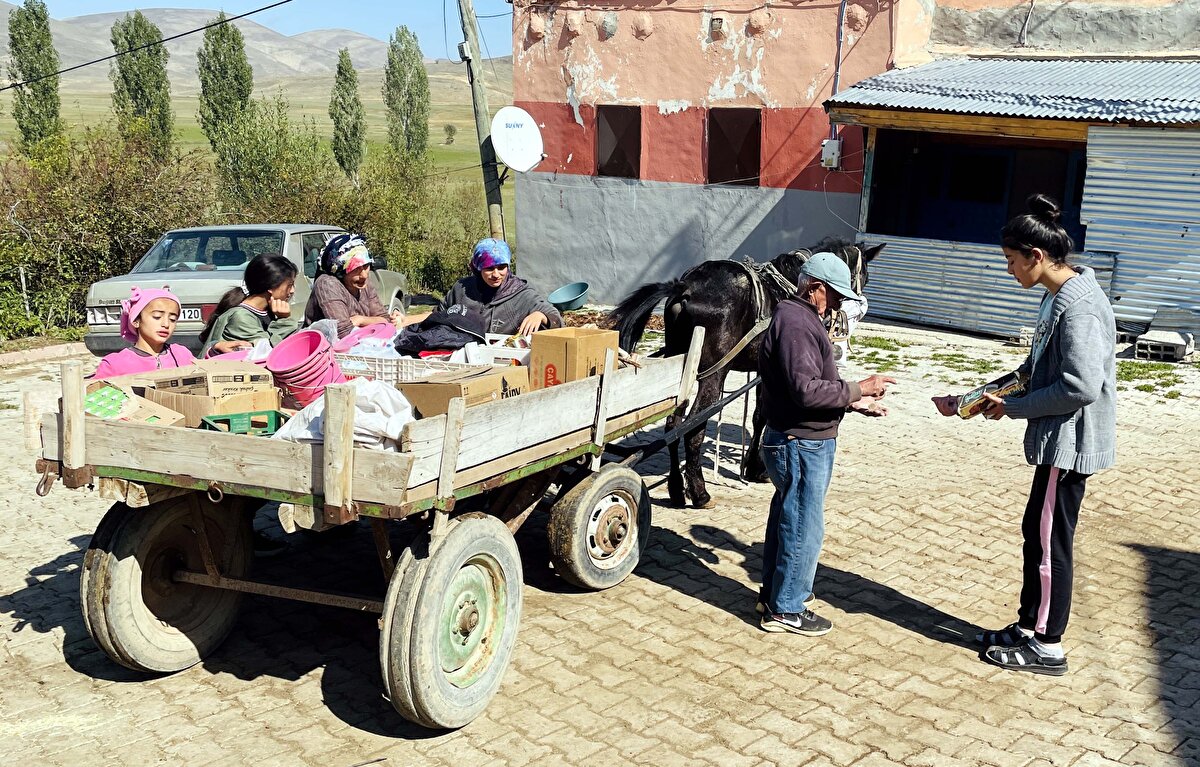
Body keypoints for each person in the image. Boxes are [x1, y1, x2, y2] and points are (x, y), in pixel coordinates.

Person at [933, 194, 1116, 676]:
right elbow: (1034, 370)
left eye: (1012, 262)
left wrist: (1012, 409)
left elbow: (1079, 387)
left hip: (1069, 446)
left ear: (1037, 257)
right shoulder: (1056, 297)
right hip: (1055, 443)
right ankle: (1028, 627)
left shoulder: (1080, 309)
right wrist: (974, 399)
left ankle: (1048, 646)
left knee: (1051, 543)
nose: (1010, 271)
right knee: (1036, 535)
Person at [757, 252, 895, 636]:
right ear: (814, 287)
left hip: (799, 439)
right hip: (800, 442)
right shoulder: (798, 324)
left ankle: (775, 595)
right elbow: (805, 391)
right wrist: (858, 387)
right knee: (804, 526)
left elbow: (809, 385)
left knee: (790, 519)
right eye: (832, 294)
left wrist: (853, 402)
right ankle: (786, 609)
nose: (835, 302)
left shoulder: (799, 319)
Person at [304, 234, 422, 338]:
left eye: (366, 266)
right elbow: (343, 331)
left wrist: (361, 320)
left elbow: (384, 319)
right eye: (356, 269)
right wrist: (374, 323)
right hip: (321, 352)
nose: (364, 275)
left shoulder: (365, 284)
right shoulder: (328, 284)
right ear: (340, 271)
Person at [439, 238, 563, 337]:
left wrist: (540, 315)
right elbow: (439, 314)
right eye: (489, 269)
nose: (496, 275)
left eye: (501, 267)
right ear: (478, 268)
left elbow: (557, 320)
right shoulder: (462, 289)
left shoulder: (522, 294)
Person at [199, 253, 302, 358]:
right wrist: (284, 320)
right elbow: (267, 350)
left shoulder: (267, 311)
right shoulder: (241, 317)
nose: (292, 290)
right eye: (289, 285)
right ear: (271, 286)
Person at [93, 287, 199, 379]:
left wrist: (214, 351)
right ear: (136, 321)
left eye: (172, 319)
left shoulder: (181, 354)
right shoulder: (114, 364)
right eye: (157, 317)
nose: (166, 324)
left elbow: (205, 369)